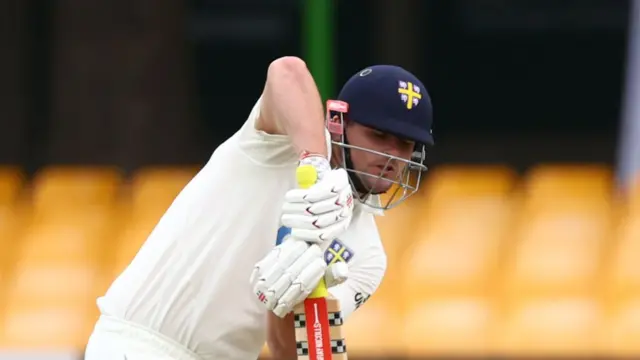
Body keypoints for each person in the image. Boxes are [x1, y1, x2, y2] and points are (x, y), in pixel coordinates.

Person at [84, 56, 434, 360]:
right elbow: (288, 70)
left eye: (404, 144)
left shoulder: (366, 256)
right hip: (139, 343)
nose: (391, 156)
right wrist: (315, 170)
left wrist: (290, 290)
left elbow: (291, 351)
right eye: (378, 136)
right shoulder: (279, 142)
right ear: (337, 122)